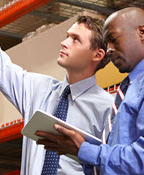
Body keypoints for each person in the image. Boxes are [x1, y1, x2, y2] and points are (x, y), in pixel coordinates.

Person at [0, 0, 114, 174]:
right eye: (68, 36)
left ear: (97, 55)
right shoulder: (39, 90)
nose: (64, 42)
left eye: (76, 40)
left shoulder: (108, 109)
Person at [36, 6, 144, 175]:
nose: (110, 49)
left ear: (142, 32)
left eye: (114, 39)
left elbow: (140, 161)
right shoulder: (127, 89)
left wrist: (84, 149)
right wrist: (80, 152)